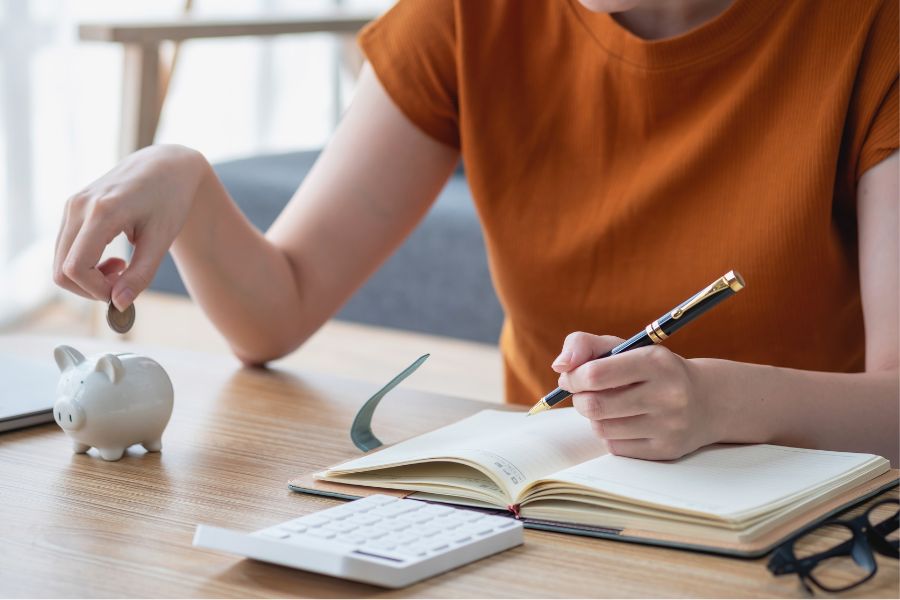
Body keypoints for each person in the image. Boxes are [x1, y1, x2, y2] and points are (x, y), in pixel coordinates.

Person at [53, 0, 898, 463]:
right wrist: (189, 182)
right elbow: (276, 312)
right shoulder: (468, 14)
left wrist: (719, 403)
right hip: (544, 512)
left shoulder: (871, 27)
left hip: (799, 525)